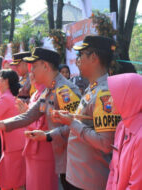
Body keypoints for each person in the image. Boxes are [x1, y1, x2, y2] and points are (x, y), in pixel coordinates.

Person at [0, 47, 81, 189]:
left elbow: (75, 126)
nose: (31, 71)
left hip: (70, 160)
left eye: (34, 66)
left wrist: (47, 136)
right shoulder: (49, 90)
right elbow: (29, 116)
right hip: (61, 159)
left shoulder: (65, 90)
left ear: (45, 66)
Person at [51, 35, 122, 190]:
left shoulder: (105, 93)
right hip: (80, 176)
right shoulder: (93, 87)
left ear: (94, 57)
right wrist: (70, 119)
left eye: (81, 55)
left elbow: (105, 143)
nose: (78, 60)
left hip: (89, 181)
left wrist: (71, 122)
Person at [16, 72, 58, 190]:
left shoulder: (50, 93)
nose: (32, 74)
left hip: (44, 149)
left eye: (35, 69)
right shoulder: (35, 93)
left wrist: (25, 116)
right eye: (31, 71)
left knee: (42, 184)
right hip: (31, 146)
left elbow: (44, 125)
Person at [106, 73, 142, 190]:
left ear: (128, 97)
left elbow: (136, 185)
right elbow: (113, 170)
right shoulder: (122, 126)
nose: (109, 100)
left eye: (115, 95)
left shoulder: (140, 136)